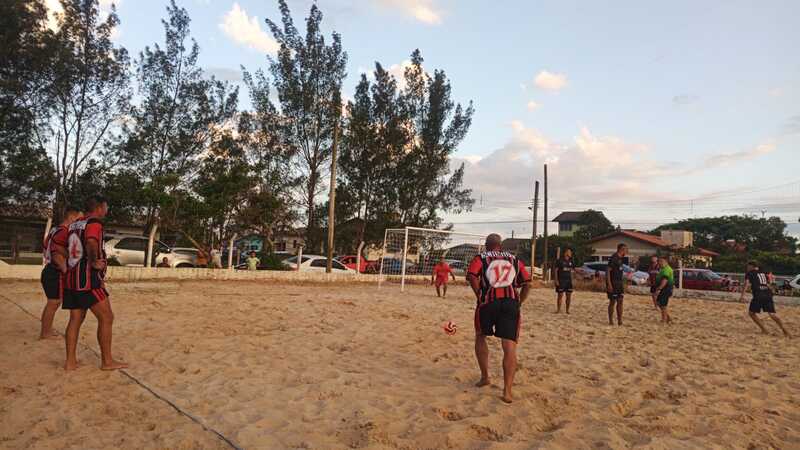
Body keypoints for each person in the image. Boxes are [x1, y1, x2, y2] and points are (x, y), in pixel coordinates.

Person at [63, 195, 128, 371]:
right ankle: (107, 362)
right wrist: (93, 262)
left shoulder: (75, 224)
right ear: (99, 208)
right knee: (107, 317)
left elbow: (65, 247)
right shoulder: (94, 224)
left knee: (75, 319)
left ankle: (70, 362)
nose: (107, 210)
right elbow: (91, 242)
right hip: (87, 280)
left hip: (71, 278)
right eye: (106, 207)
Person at [467, 233, 531, 404]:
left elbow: (472, 275)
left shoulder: (481, 257)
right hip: (510, 303)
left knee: (481, 335)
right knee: (509, 345)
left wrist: (478, 294)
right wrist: (520, 302)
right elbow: (528, 282)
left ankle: (485, 377)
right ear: (500, 245)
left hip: (488, 302)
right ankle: (507, 391)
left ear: (487, 245)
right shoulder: (514, 259)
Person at [39, 206, 81, 339]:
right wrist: (65, 270)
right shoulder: (64, 232)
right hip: (55, 271)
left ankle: (47, 330)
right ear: (71, 217)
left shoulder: (54, 230)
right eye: (78, 219)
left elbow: (48, 248)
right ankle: (45, 333)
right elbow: (56, 254)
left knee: (53, 302)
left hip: (50, 270)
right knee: (53, 303)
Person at [741, 261, 790, 337]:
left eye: (747, 267)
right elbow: (768, 283)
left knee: (751, 313)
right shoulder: (763, 272)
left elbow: (746, 283)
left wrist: (742, 295)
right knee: (772, 314)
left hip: (758, 294)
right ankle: (785, 330)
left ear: (751, 266)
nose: (747, 268)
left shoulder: (750, 273)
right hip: (767, 293)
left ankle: (764, 330)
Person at [605, 243, 628, 326]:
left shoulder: (620, 259)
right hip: (613, 283)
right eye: (625, 249)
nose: (627, 251)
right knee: (612, 302)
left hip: (619, 283)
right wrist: (609, 284)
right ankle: (611, 320)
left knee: (620, 301)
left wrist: (623, 283)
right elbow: (607, 271)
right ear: (621, 249)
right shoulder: (614, 258)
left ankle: (620, 320)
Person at [553, 248, 575, 314]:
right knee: (560, 295)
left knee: (569, 296)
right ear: (565, 253)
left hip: (568, 281)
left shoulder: (571, 261)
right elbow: (555, 270)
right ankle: (558, 310)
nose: (570, 253)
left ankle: (567, 310)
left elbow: (572, 270)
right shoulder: (559, 260)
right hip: (561, 280)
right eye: (569, 252)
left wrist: (579, 273)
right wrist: (556, 280)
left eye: (571, 252)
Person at [653, 257, 674, 324]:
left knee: (663, 305)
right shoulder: (663, 269)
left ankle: (664, 320)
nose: (659, 263)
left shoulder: (667, 269)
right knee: (659, 303)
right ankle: (668, 318)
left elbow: (664, 280)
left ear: (666, 262)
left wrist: (659, 289)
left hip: (666, 289)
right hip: (664, 289)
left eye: (661, 261)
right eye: (659, 261)